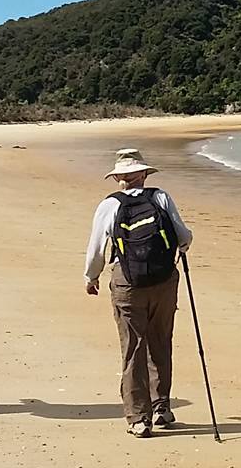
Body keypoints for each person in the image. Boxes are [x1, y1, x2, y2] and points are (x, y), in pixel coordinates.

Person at [84, 148, 195, 438]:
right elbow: (183, 236)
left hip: (127, 282)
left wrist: (91, 277)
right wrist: (182, 246)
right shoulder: (161, 197)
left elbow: (97, 249)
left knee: (133, 347)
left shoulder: (109, 205)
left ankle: (138, 418)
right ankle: (162, 408)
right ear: (144, 174)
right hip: (164, 280)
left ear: (117, 177)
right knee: (161, 341)